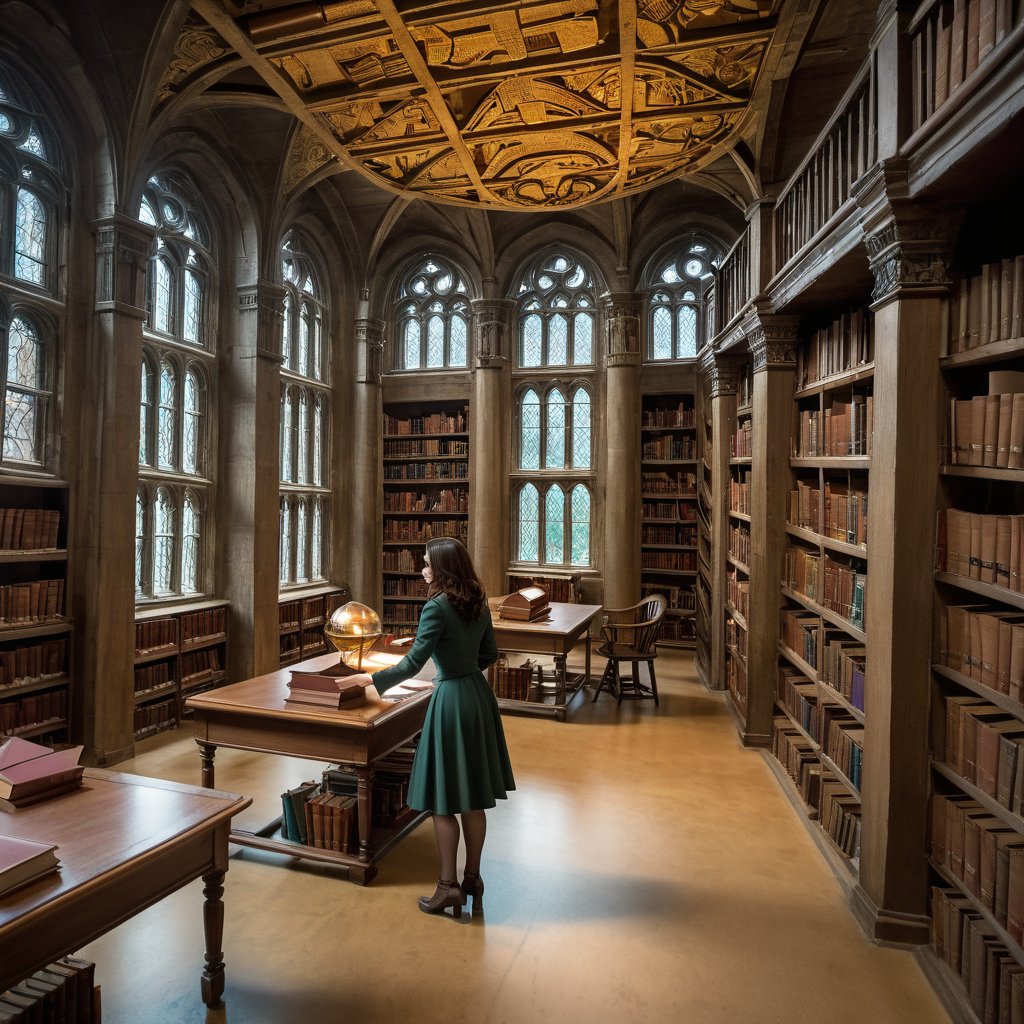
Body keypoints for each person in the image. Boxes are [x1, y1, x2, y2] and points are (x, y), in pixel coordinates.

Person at [350, 537, 515, 919]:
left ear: (441, 568)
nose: (421, 569)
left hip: (452, 702)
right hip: (477, 695)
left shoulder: (436, 607)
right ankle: (472, 878)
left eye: (426, 563)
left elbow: (411, 664)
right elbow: (490, 653)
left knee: (443, 802)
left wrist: (371, 682)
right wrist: (463, 661)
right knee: (472, 798)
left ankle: (447, 887)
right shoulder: (477, 601)